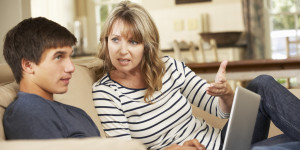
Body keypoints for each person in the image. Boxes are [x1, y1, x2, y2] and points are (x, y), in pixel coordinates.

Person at [92, 1, 300, 150]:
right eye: (115, 39)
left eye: (133, 42)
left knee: (262, 83)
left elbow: (218, 111)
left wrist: (224, 94)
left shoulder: (169, 67)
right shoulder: (106, 92)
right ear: (106, 41)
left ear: (147, 45)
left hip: (225, 142)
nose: (122, 50)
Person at [3, 17, 100, 139]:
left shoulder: (77, 113)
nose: (71, 68)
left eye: (70, 56)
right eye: (59, 57)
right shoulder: (28, 111)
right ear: (28, 65)